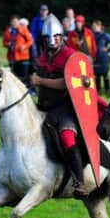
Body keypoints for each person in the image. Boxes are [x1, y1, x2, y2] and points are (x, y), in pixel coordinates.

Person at [30, 14, 88, 198]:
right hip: (44, 105)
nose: (52, 40)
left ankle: (79, 181)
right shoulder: (43, 57)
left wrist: (39, 80)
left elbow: (67, 83)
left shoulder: (70, 55)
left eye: (55, 36)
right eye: (48, 38)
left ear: (61, 37)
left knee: (67, 137)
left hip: (65, 107)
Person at [3, 15, 33, 86]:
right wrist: (8, 44)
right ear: (10, 23)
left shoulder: (23, 29)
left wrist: (25, 46)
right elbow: (4, 43)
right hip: (12, 57)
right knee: (14, 76)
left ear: (19, 22)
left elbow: (30, 40)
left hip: (23, 56)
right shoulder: (8, 31)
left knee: (24, 75)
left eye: (16, 22)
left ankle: (26, 88)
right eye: (13, 22)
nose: (14, 23)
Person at [91, 20, 110, 94]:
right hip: (95, 58)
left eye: (95, 26)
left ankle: (107, 89)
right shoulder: (91, 35)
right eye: (93, 26)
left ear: (100, 27)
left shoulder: (105, 35)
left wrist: (108, 49)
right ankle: (97, 90)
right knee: (96, 75)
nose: (93, 27)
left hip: (104, 58)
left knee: (105, 74)